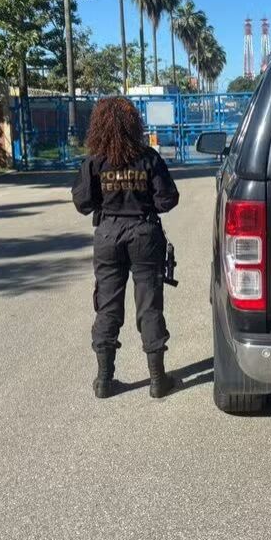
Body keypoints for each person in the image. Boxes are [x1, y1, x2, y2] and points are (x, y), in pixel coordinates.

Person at [71, 97, 180, 399]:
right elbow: (167, 199)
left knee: (107, 305)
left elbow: (81, 202)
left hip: (107, 234)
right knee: (149, 305)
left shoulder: (94, 161)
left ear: (99, 126)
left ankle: (105, 381)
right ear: (135, 125)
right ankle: (158, 381)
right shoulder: (148, 158)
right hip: (144, 234)